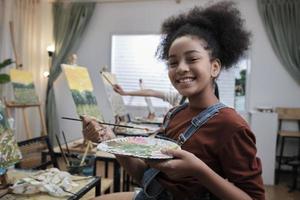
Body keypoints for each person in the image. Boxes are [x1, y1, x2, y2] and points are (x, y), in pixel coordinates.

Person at [82, 1, 265, 200]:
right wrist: (111, 141)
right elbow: (145, 177)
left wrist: (199, 170)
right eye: (173, 62)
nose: (181, 68)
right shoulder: (174, 114)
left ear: (214, 67)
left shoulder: (231, 125)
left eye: (192, 59)